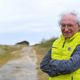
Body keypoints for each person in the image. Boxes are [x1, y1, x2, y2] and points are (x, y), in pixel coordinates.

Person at [40, 12, 80, 80]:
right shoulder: (56, 42)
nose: (66, 29)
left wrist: (51, 63)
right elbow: (43, 65)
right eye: (63, 25)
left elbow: (69, 66)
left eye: (70, 25)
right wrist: (58, 69)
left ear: (78, 26)